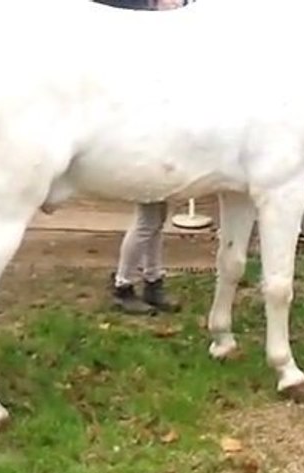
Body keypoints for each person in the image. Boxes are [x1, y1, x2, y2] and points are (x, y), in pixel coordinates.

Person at [109, 0, 189, 314]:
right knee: (147, 220)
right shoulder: (150, 47)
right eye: (173, 2)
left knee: (156, 218)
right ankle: (123, 284)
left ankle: (154, 281)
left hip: (165, 142)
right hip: (148, 143)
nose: (179, 6)